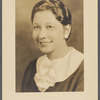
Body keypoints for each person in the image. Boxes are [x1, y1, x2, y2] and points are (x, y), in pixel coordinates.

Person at [21, 0, 84, 92]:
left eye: (50, 27)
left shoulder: (83, 69)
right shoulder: (31, 68)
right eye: (37, 27)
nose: (41, 35)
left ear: (66, 30)